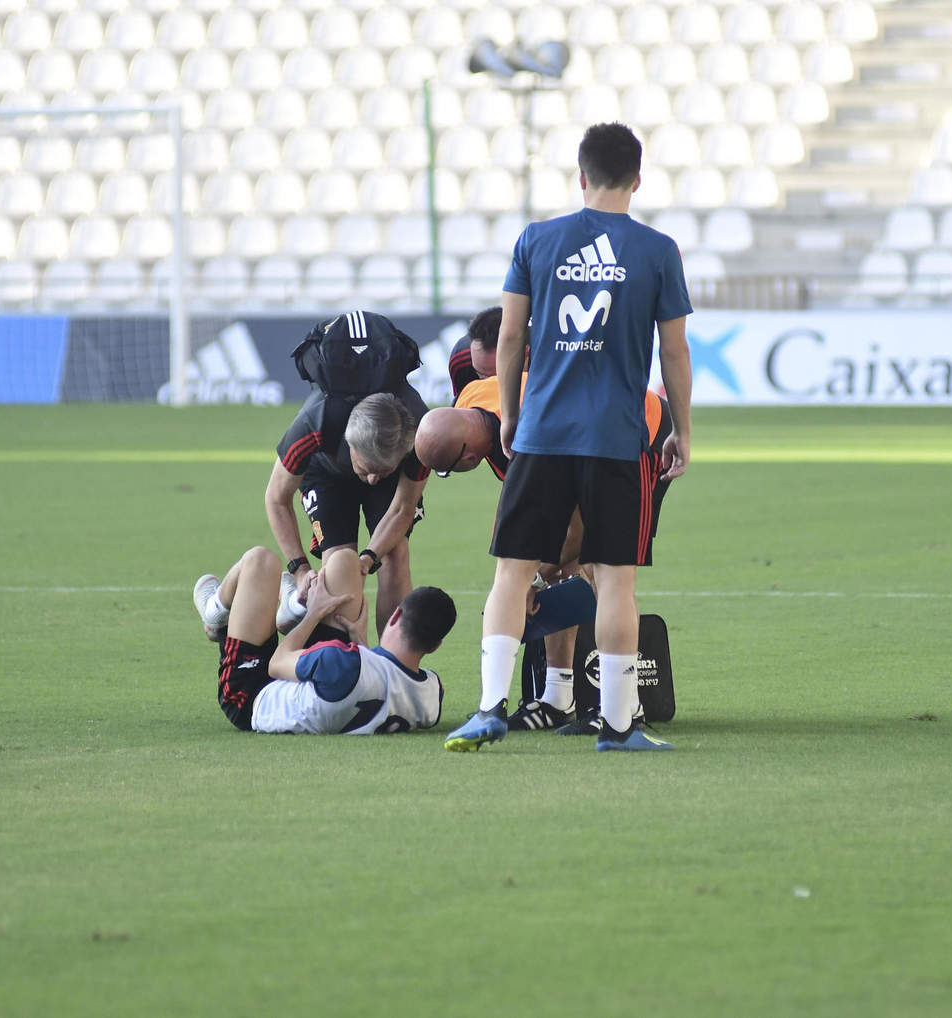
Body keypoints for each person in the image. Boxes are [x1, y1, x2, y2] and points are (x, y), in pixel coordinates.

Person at [442, 121, 693, 753]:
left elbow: (509, 338)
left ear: (581, 176)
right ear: (637, 180)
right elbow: (675, 352)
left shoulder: (537, 240)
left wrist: (513, 414)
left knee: (512, 572)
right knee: (615, 581)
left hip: (543, 432)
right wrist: (682, 430)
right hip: (616, 436)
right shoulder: (658, 251)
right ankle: (616, 726)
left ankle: (489, 709)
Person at [416, 376, 675, 733]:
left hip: (641, 435)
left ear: (469, 455)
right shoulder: (475, 403)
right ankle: (557, 698)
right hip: (589, 430)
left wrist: (532, 577)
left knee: (603, 563)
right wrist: (531, 570)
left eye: (450, 469)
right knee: (560, 566)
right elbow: (528, 512)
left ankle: (627, 712)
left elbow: (576, 523)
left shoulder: (529, 433)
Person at [266, 318, 431, 633]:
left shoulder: (422, 437)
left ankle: (393, 666)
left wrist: (369, 558)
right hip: (326, 475)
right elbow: (276, 498)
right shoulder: (314, 424)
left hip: (394, 484)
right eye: (366, 470)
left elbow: (402, 508)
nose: (371, 480)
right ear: (350, 443)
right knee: (339, 563)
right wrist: (300, 568)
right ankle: (334, 655)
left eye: (381, 471)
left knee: (394, 556)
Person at [190, 545, 453, 735]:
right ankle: (292, 606)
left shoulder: (341, 661)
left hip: (254, 694)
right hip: (328, 681)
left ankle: (216, 614)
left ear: (395, 616)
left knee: (261, 561)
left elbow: (276, 663)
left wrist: (314, 613)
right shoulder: (431, 697)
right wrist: (360, 641)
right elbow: (379, 687)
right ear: (434, 646)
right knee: (346, 562)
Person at [447, 307, 503, 400]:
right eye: (481, 374)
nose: (490, 384)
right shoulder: (461, 360)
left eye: (496, 376)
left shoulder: (535, 356)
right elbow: (463, 407)